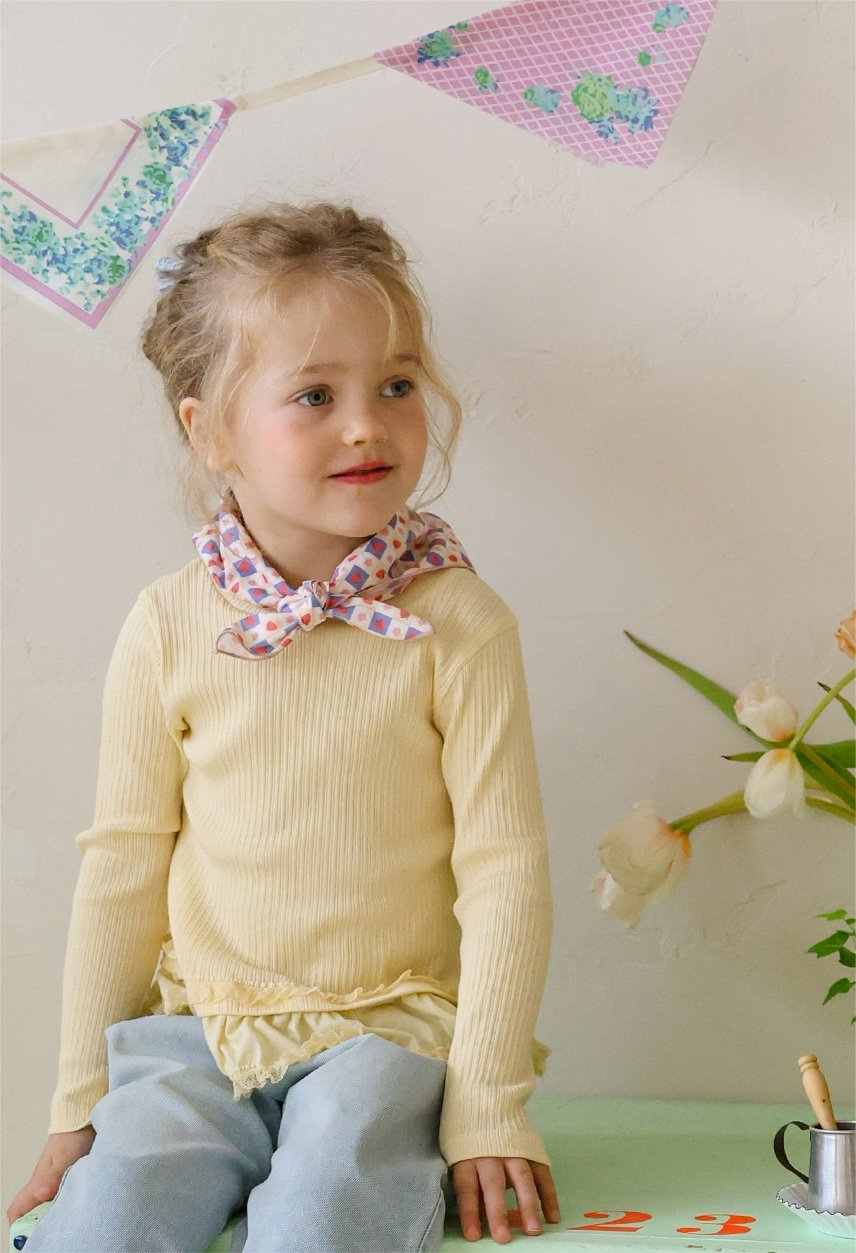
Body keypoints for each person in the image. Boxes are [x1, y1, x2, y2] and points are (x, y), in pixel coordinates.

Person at [6, 198, 560, 1251]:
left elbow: (506, 872)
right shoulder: (167, 623)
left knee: (322, 1209)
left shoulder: (457, 622)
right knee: (109, 1214)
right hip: (200, 1030)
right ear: (209, 430)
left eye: (396, 385)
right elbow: (123, 867)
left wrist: (488, 1103)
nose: (368, 424)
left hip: (389, 1034)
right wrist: (77, 1103)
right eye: (315, 394)